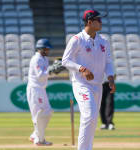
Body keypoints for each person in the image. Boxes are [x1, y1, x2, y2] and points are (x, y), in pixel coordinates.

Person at [62, 10, 116, 150]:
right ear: (90, 22)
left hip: (98, 85)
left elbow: (108, 62)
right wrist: (81, 68)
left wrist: (110, 77)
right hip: (82, 84)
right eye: (98, 19)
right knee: (89, 115)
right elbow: (65, 61)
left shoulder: (103, 41)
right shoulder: (77, 40)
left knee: (92, 120)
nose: (101, 22)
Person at [26, 38, 53, 146]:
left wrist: (52, 70)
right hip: (35, 89)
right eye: (46, 48)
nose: (48, 50)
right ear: (40, 48)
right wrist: (51, 70)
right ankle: (39, 140)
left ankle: (35, 136)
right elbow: (41, 75)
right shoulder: (36, 59)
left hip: (41, 89)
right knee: (39, 113)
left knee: (48, 112)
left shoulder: (44, 59)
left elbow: (45, 74)